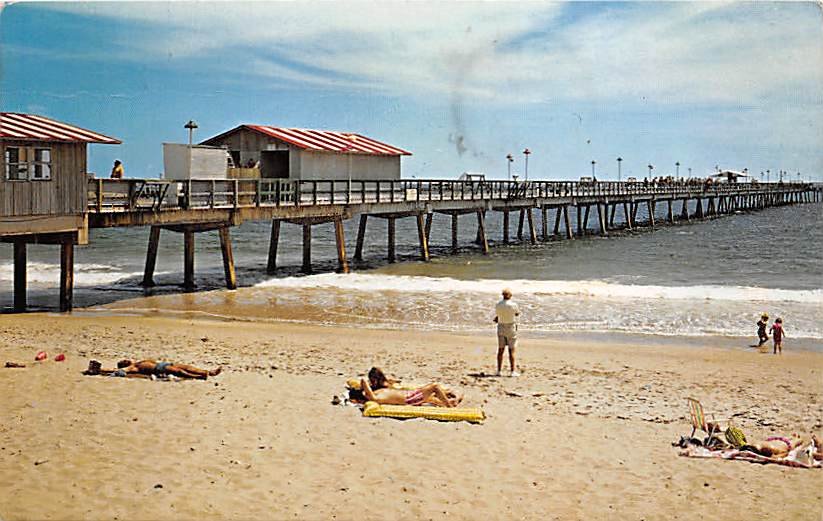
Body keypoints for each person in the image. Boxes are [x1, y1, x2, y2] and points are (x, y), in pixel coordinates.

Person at [359, 367, 461, 407]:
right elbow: (364, 382)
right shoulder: (374, 397)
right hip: (410, 398)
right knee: (435, 386)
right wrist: (364, 386)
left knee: (435, 395)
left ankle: (453, 401)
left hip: (411, 395)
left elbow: (367, 385)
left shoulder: (378, 390)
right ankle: (450, 407)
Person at [84, 358, 221, 380]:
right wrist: (101, 370)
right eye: (124, 361)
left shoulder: (138, 361)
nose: (126, 360)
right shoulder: (133, 367)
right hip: (159, 368)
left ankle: (208, 372)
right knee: (180, 372)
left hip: (164, 363)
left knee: (186, 366)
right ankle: (200, 376)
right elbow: (115, 371)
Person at [494, 288, 520, 377]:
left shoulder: (498, 304)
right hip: (510, 327)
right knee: (511, 350)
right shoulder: (514, 305)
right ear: (510, 295)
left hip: (501, 327)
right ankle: (512, 371)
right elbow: (517, 314)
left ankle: (499, 371)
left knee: (500, 350)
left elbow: (498, 315)